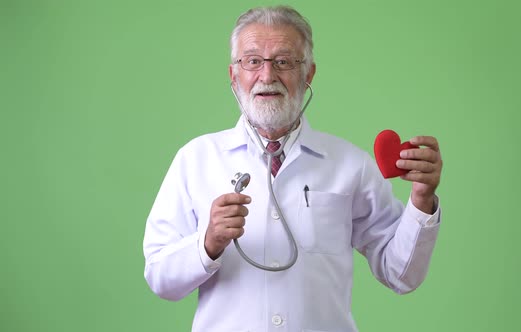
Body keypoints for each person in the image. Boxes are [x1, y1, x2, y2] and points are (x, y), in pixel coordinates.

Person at [143, 5, 443, 332]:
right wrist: (208, 242)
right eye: (253, 61)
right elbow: (160, 278)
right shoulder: (196, 159)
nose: (267, 76)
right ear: (234, 74)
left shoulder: (350, 165)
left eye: (284, 61)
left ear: (308, 73)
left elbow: (401, 274)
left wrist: (422, 200)